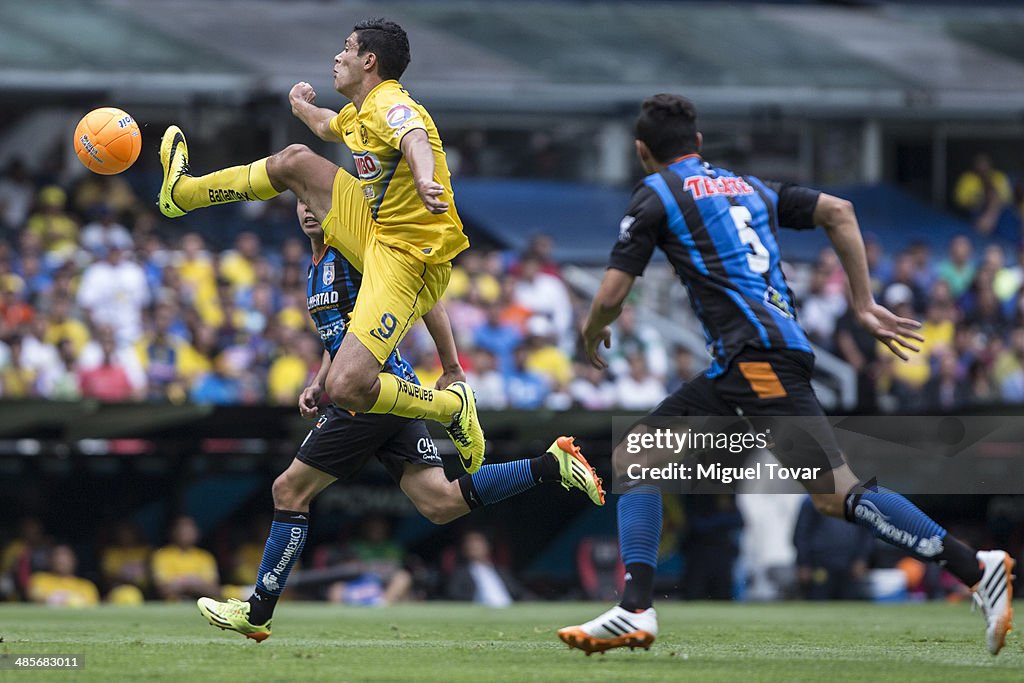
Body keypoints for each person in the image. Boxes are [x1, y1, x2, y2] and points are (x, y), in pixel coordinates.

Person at [558, 94, 1013, 656]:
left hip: (758, 362)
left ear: (642, 152)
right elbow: (839, 211)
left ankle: (976, 565)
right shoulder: (748, 186)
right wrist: (864, 304)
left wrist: (591, 330)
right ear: (698, 144)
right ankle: (635, 610)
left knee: (834, 492)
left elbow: (610, 293)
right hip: (751, 361)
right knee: (638, 455)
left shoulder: (656, 193)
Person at [196, 200, 603, 642]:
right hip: (387, 390)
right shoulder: (315, 267)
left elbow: (425, 296)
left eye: (317, 201)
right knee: (440, 502)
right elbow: (342, 336)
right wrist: (319, 381)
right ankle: (550, 464)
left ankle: (258, 612)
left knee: (288, 489)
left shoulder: (351, 251)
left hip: (374, 393)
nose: (310, 209)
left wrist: (452, 368)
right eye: (302, 202)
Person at [156, 18, 484, 472]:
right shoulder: (362, 110)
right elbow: (330, 125)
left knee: (348, 388)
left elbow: (414, 137)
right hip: (377, 228)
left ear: (369, 61)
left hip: (407, 258)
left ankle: (449, 408)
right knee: (295, 161)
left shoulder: (389, 102)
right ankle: (182, 195)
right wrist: (299, 108)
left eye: (347, 48)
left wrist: (425, 177)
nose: (337, 56)